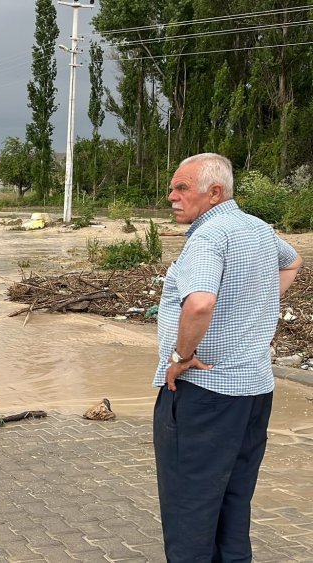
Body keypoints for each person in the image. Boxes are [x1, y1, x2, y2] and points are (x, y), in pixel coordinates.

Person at [153, 153, 303, 562]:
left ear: (214, 192)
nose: (172, 196)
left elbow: (199, 304)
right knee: (233, 502)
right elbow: (293, 262)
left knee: (191, 509)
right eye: (172, 187)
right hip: (254, 392)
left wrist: (181, 356)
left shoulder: (209, 236)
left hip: (205, 395)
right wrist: (252, 306)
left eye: (182, 188)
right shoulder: (256, 228)